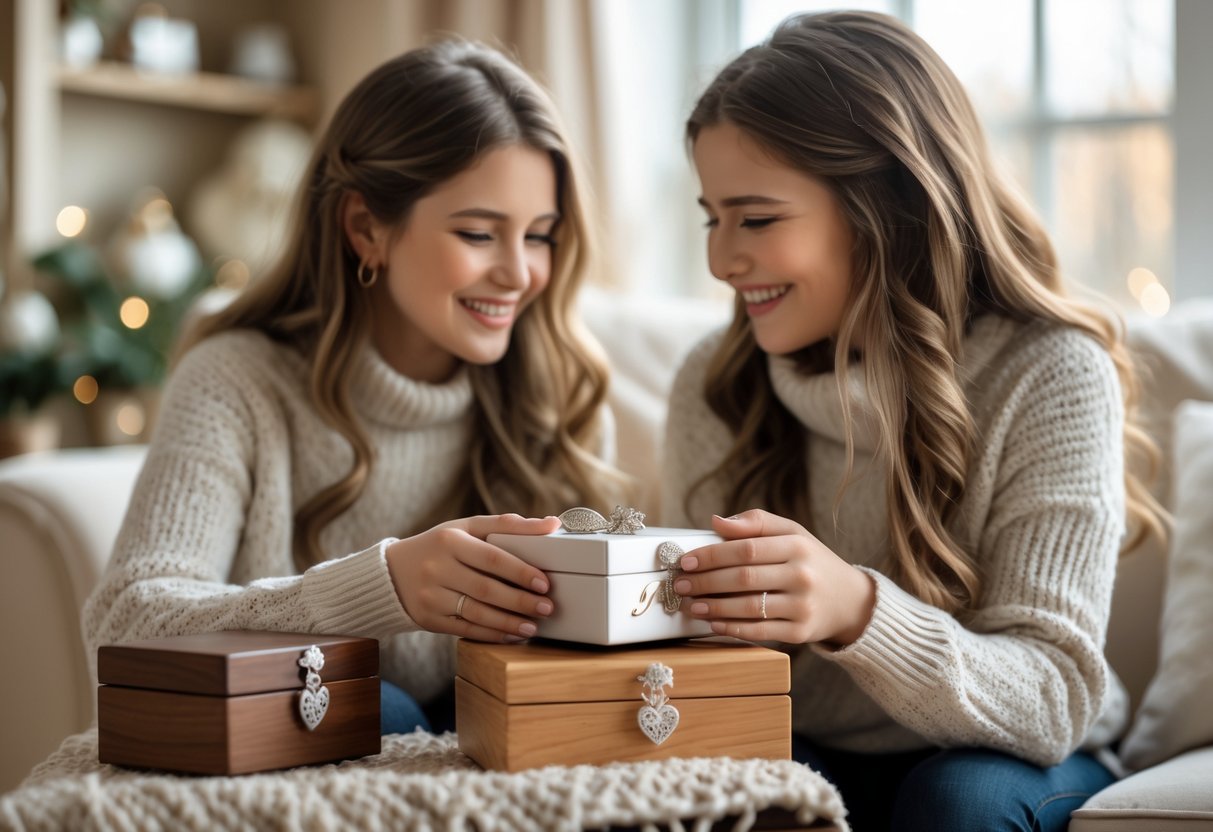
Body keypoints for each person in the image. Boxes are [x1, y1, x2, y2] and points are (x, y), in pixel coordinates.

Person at [662, 11, 1166, 831]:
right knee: (728, 795)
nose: (721, 260)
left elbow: (1053, 695)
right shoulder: (716, 383)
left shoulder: (1050, 372)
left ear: (884, 205)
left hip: (1007, 756)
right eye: (711, 217)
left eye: (754, 219)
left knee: (955, 803)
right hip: (806, 744)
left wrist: (856, 610)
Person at [83, 40, 624, 735]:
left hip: (493, 768)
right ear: (367, 227)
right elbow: (123, 626)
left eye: (540, 237)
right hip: (299, 759)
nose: (520, 274)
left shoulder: (559, 398)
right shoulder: (236, 381)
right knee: (368, 703)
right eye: (479, 234)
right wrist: (379, 587)